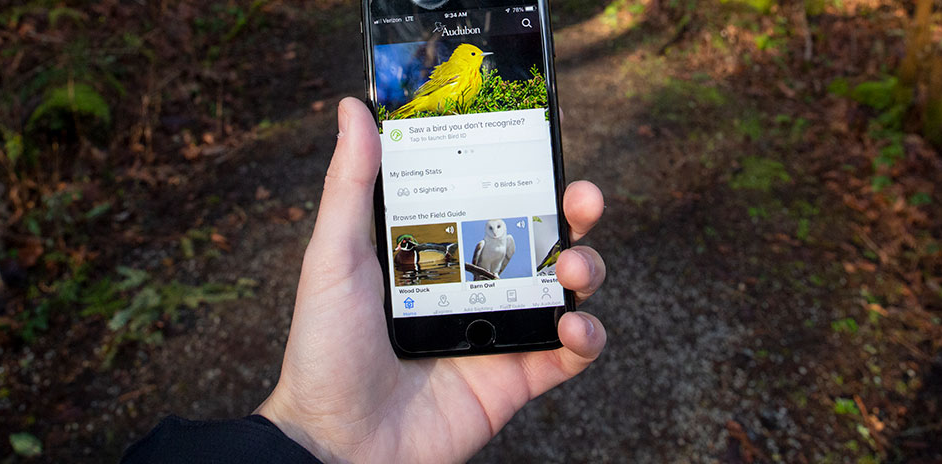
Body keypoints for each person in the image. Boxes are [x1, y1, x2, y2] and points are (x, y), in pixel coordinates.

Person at [122, 98, 608, 463]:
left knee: (565, 263)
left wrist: (316, 443)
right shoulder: (479, 241)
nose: (497, 230)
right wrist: (322, 438)